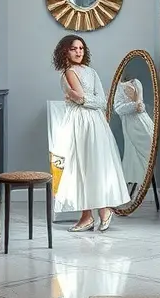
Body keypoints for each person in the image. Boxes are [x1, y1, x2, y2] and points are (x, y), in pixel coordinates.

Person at [53, 35, 130, 232]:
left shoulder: (91, 72)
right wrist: (82, 98)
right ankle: (87, 216)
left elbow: (100, 101)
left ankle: (102, 210)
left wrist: (77, 97)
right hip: (79, 122)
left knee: (94, 164)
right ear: (65, 52)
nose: (79, 52)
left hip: (94, 123)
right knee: (81, 165)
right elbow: (88, 100)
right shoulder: (68, 73)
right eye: (73, 48)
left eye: (81, 48)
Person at [113, 77, 155, 191]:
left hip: (144, 121)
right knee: (136, 153)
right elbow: (118, 109)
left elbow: (141, 104)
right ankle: (138, 186)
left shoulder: (137, 82)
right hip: (131, 124)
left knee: (150, 148)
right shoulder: (118, 87)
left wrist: (139, 105)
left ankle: (144, 185)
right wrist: (134, 106)